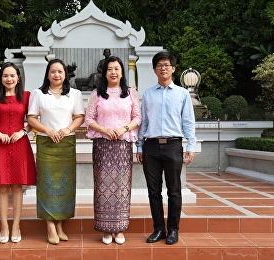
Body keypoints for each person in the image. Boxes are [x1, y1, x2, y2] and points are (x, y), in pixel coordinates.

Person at [136, 51, 196, 245]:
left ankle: (173, 230)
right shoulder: (147, 94)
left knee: (174, 190)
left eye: (166, 64)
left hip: (173, 145)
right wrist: (139, 147)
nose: (163, 68)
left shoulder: (182, 93)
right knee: (153, 191)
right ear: (155, 70)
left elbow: (188, 121)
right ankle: (158, 229)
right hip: (151, 147)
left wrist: (191, 145)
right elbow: (143, 123)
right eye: (159, 65)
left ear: (173, 68)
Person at [85, 56, 142, 245]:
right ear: (105, 73)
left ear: (122, 72)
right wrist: (105, 129)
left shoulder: (130, 93)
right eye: (110, 69)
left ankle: (119, 228)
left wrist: (123, 129)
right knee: (103, 186)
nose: (113, 72)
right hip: (102, 144)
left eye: (117, 69)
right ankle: (106, 229)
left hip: (123, 144)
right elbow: (89, 119)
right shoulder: (97, 93)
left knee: (122, 187)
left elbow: (137, 117)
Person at [27, 59, 85, 245]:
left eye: (60, 71)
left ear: (65, 74)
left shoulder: (74, 94)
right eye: (53, 71)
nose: (57, 75)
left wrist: (66, 130)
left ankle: (60, 224)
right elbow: (32, 119)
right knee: (47, 184)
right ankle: (50, 225)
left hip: (66, 143)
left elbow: (79, 117)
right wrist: (48, 131)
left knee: (65, 186)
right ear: (47, 74)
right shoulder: (38, 94)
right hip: (46, 143)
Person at [0, 62, 37, 244]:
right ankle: (4, 225)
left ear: (18, 78)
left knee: (18, 186)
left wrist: (23, 131)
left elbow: (33, 120)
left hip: (20, 144)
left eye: (12, 76)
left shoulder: (26, 97)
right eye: (5, 76)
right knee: (3, 186)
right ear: (1, 78)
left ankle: (16, 226)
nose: (9, 79)